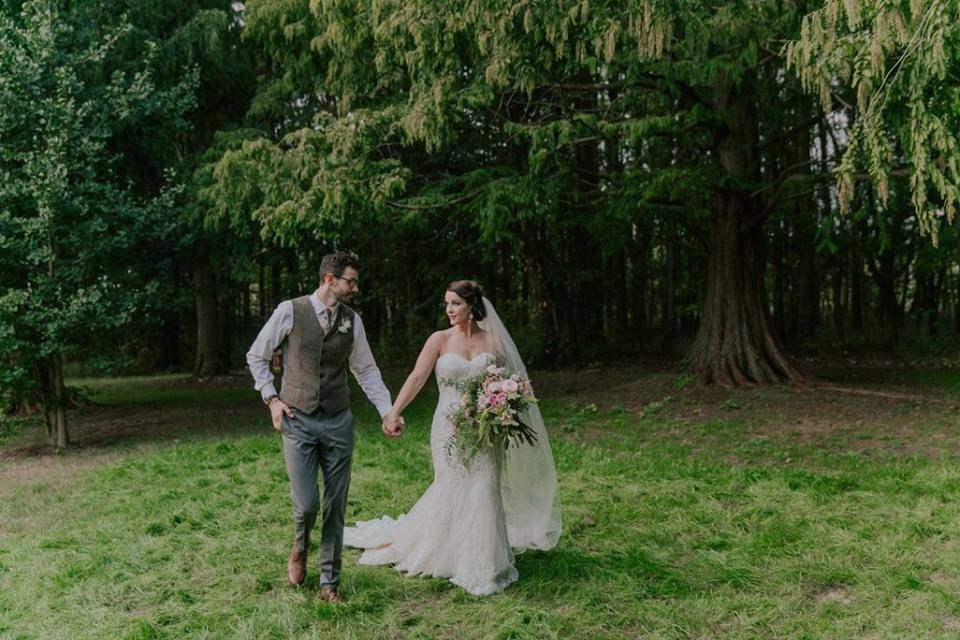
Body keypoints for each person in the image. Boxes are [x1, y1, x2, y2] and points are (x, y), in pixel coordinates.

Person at [344, 280, 562, 596]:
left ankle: (483, 561)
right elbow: (417, 377)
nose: (449, 310)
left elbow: (507, 382)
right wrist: (393, 412)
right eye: (446, 304)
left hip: (484, 427)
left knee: (484, 486)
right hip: (448, 426)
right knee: (454, 484)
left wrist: (502, 404)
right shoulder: (439, 339)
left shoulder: (493, 341)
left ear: (472, 307)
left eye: (455, 304)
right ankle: (446, 550)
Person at [245, 250, 403, 603]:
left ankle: (330, 582)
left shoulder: (352, 321)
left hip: (337, 421)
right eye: (351, 281)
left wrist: (387, 412)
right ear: (330, 280)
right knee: (306, 505)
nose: (356, 288)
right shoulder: (291, 311)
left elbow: (365, 370)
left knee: (336, 504)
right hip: (297, 420)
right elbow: (257, 355)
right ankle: (300, 546)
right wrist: (272, 399)